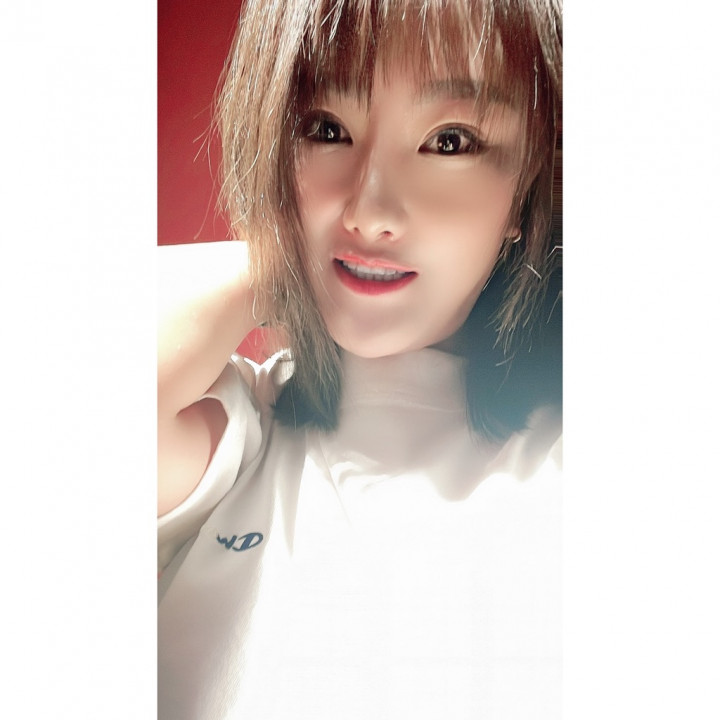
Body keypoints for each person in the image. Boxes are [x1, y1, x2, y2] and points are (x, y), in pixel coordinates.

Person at [158, 0, 562, 717]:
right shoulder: (238, 440)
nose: (369, 211)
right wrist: (275, 259)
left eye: (449, 142)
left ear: (532, 178)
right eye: (326, 129)